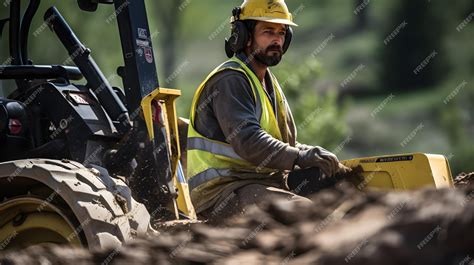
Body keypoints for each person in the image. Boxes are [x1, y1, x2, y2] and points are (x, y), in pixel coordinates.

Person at [186, 0, 351, 221]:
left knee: (343, 184)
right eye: (267, 32)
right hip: (222, 191)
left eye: (282, 33)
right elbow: (249, 141)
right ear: (244, 36)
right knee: (307, 214)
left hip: (261, 180)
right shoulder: (230, 80)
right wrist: (301, 156)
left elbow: (281, 142)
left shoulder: (267, 82)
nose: (277, 40)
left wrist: (312, 154)